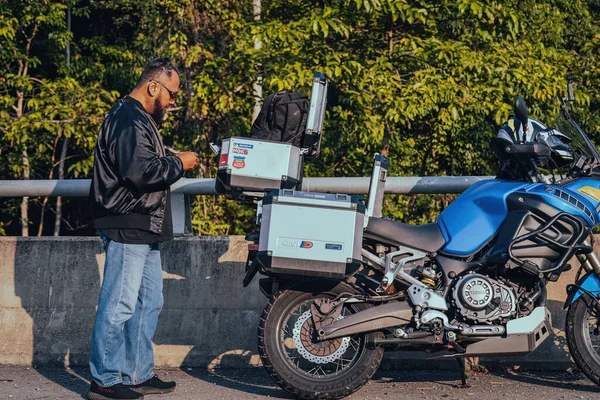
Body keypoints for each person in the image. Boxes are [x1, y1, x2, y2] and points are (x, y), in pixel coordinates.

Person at [87, 57, 199, 400]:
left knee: (149, 300)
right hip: (127, 224)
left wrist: (171, 160)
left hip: (142, 224)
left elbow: (143, 167)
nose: (172, 102)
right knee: (120, 303)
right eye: (171, 94)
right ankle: (104, 381)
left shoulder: (137, 118)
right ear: (153, 86)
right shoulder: (128, 119)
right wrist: (180, 162)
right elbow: (141, 173)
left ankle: (136, 372)